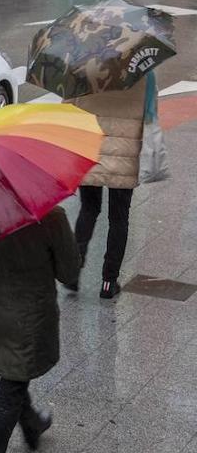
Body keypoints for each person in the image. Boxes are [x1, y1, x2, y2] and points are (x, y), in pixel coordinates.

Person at [0, 205, 81, 453]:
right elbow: (69, 272)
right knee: (13, 385)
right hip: (27, 320)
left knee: (15, 371)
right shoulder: (50, 217)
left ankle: (31, 423)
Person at [69, 79, 149, 299]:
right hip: (125, 154)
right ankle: (108, 282)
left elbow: (69, 108)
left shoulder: (85, 68)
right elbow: (150, 116)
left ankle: (73, 273)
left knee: (88, 209)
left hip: (90, 150)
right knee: (119, 219)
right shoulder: (143, 75)